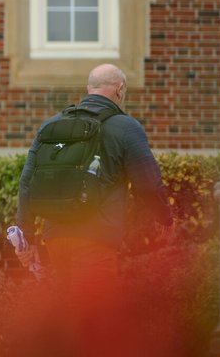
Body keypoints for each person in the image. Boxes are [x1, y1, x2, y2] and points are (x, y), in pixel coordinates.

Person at [14, 63, 171, 278]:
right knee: (92, 310)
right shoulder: (126, 127)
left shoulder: (52, 125)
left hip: (55, 239)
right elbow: (149, 184)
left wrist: (27, 238)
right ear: (120, 88)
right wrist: (165, 219)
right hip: (97, 239)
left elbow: (26, 183)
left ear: (90, 88)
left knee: (64, 309)